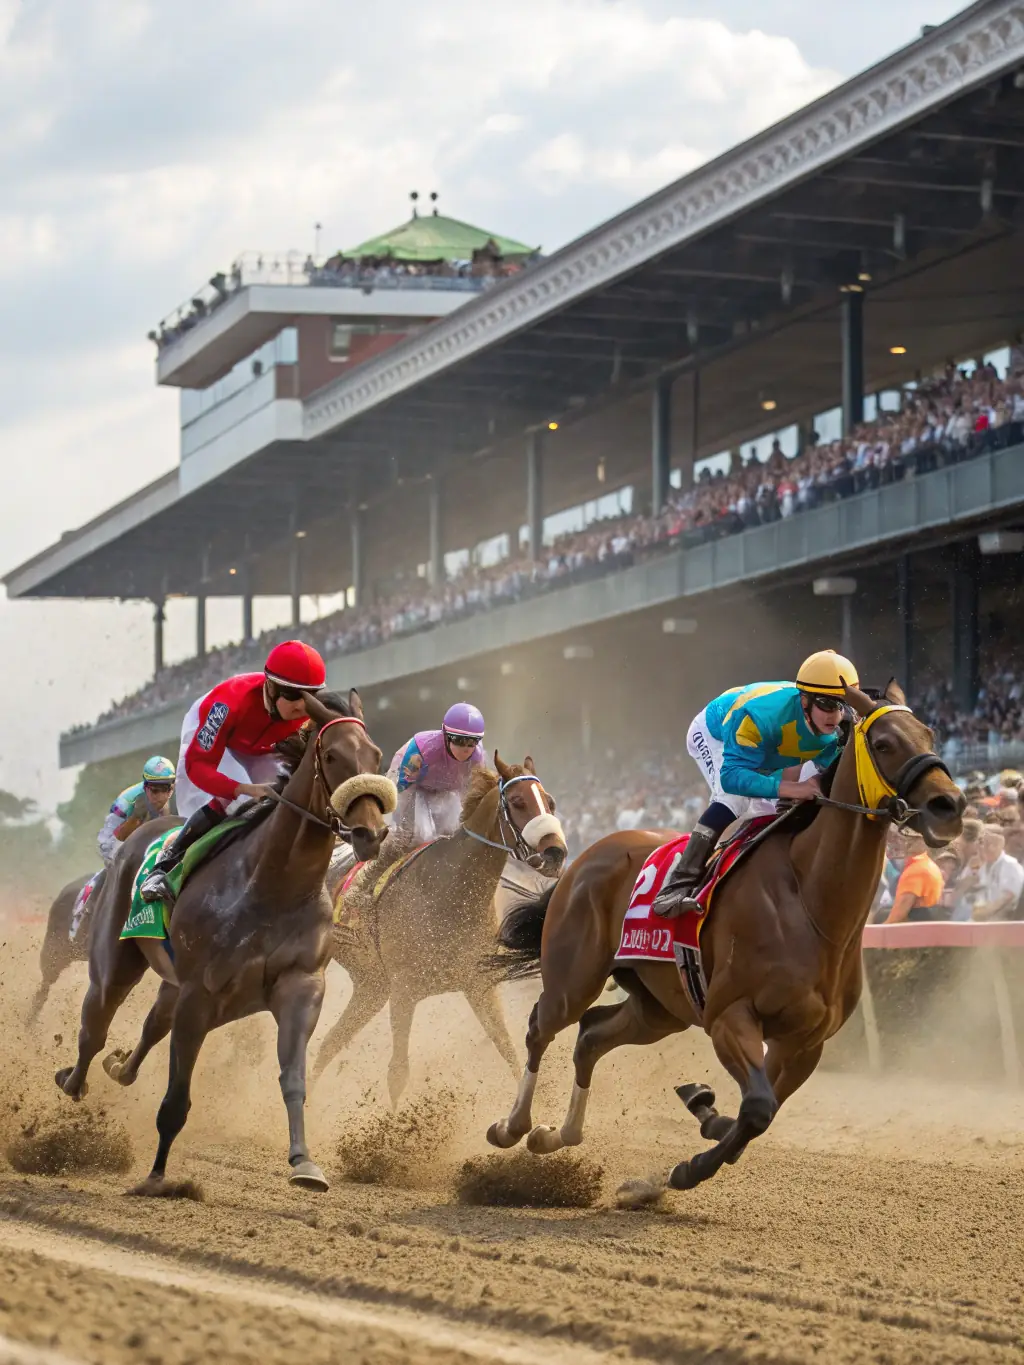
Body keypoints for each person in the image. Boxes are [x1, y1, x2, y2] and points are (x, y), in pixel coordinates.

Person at [653, 649, 856, 917]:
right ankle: (677, 885)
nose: (836, 715)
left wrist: (812, 782)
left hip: (774, 743)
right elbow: (733, 776)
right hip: (716, 732)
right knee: (735, 798)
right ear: (805, 701)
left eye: (842, 705)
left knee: (785, 802)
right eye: (828, 705)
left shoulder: (843, 726)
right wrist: (793, 789)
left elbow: (821, 768)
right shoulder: (759, 716)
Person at [139, 640, 327, 905]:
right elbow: (198, 767)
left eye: (311, 696)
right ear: (271, 688)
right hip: (214, 744)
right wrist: (241, 788)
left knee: (283, 795)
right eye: (294, 696)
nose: (302, 706)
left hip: (258, 745)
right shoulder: (225, 706)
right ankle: (165, 868)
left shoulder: (311, 712)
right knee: (233, 802)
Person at [386, 702, 486, 843]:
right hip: (413, 787)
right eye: (459, 740)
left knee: (454, 832)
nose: (466, 748)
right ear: (445, 735)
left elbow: (473, 793)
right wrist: (395, 827)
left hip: (447, 790)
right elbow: (401, 792)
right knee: (421, 835)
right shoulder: (423, 751)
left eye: (473, 742)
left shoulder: (478, 757)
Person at [96, 755, 177, 867]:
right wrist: (135, 819)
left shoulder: (176, 795)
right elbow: (109, 844)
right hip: (112, 841)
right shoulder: (125, 802)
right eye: (155, 791)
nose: (161, 797)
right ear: (145, 787)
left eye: (166, 789)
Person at [882, 830, 945, 924]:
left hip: (913, 932)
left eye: (914, 838)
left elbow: (897, 917)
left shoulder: (916, 871)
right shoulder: (927, 864)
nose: (906, 841)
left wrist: (874, 935)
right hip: (927, 929)